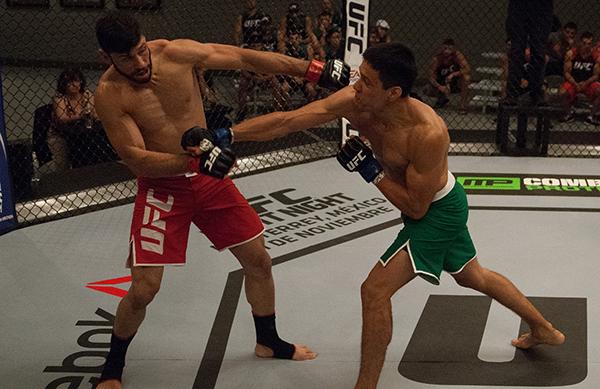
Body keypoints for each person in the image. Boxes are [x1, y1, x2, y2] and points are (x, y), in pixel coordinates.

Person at [187, 42, 566, 389]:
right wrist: (227, 135)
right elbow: (289, 120)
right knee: (474, 276)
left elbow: (416, 207)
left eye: (367, 81)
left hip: (437, 211)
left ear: (394, 93)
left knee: (374, 290)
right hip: (433, 206)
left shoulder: (428, 132)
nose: (357, 86)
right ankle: (543, 327)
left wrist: (372, 171)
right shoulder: (357, 102)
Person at [93, 12, 350, 388]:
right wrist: (195, 159)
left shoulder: (176, 54)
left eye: (141, 51)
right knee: (145, 288)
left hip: (208, 179)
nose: (140, 63)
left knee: (259, 260)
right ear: (106, 58)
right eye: (128, 58)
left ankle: (267, 339)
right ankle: (112, 367)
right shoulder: (109, 94)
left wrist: (312, 69)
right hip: (163, 187)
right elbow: (135, 158)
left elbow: (245, 58)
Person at [505, 0, 554, 105]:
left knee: (538, 52)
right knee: (517, 51)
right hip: (519, 6)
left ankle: (536, 92)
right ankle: (512, 93)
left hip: (541, 8)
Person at [50, 67, 97, 171]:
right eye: (70, 82)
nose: (74, 85)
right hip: (61, 135)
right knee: (62, 164)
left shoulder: (87, 94)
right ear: (64, 84)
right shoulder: (60, 98)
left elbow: (94, 114)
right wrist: (82, 115)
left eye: (76, 80)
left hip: (84, 133)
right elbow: (62, 118)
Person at [559, 31, 600, 124]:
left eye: (589, 44)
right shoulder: (571, 54)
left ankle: (591, 116)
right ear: (580, 43)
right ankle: (569, 114)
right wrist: (575, 83)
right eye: (584, 43)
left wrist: (585, 83)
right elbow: (566, 73)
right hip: (573, 82)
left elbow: (596, 75)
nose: (587, 46)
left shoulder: (596, 56)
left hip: (588, 83)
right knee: (562, 92)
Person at [426, 38, 471, 112]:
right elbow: (430, 75)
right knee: (427, 90)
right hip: (441, 80)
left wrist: (453, 74)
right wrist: (439, 86)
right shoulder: (437, 58)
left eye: (450, 48)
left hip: (454, 81)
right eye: (445, 48)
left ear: (454, 49)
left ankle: (462, 105)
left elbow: (467, 69)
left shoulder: (457, 56)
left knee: (467, 78)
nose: (447, 51)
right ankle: (441, 98)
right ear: (441, 48)